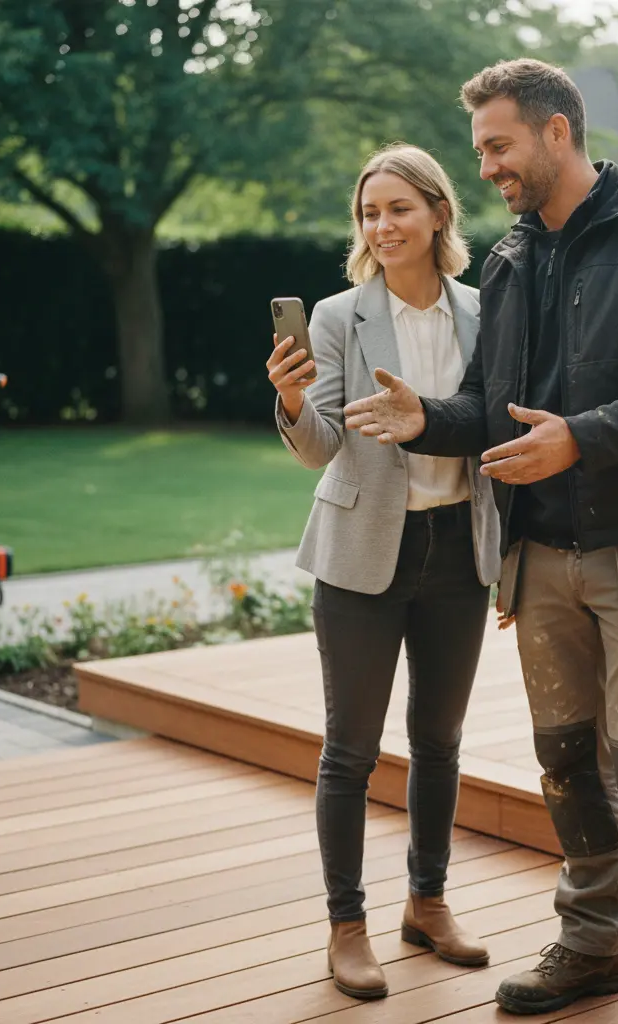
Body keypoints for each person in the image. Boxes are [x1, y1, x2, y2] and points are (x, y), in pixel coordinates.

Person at [343, 60, 618, 1024]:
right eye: (480, 149)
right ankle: (593, 946)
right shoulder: (513, 258)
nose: (486, 167)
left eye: (498, 145)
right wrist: (424, 418)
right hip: (541, 558)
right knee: (567, 766)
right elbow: (489, 406)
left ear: (557, 132)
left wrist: (581, 438)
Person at [267, 143, 501, 1002]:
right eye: (370, 211)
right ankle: (346, 925)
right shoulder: (336, 317)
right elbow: (322, 446)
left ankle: (427, 903)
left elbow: (490, 427)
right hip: (363, 551)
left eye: (399, 207)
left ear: (439, 213)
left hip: (457, 552)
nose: (382, 224)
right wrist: (294, 404)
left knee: (439, 742)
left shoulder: (484, 310)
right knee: (350, 751)